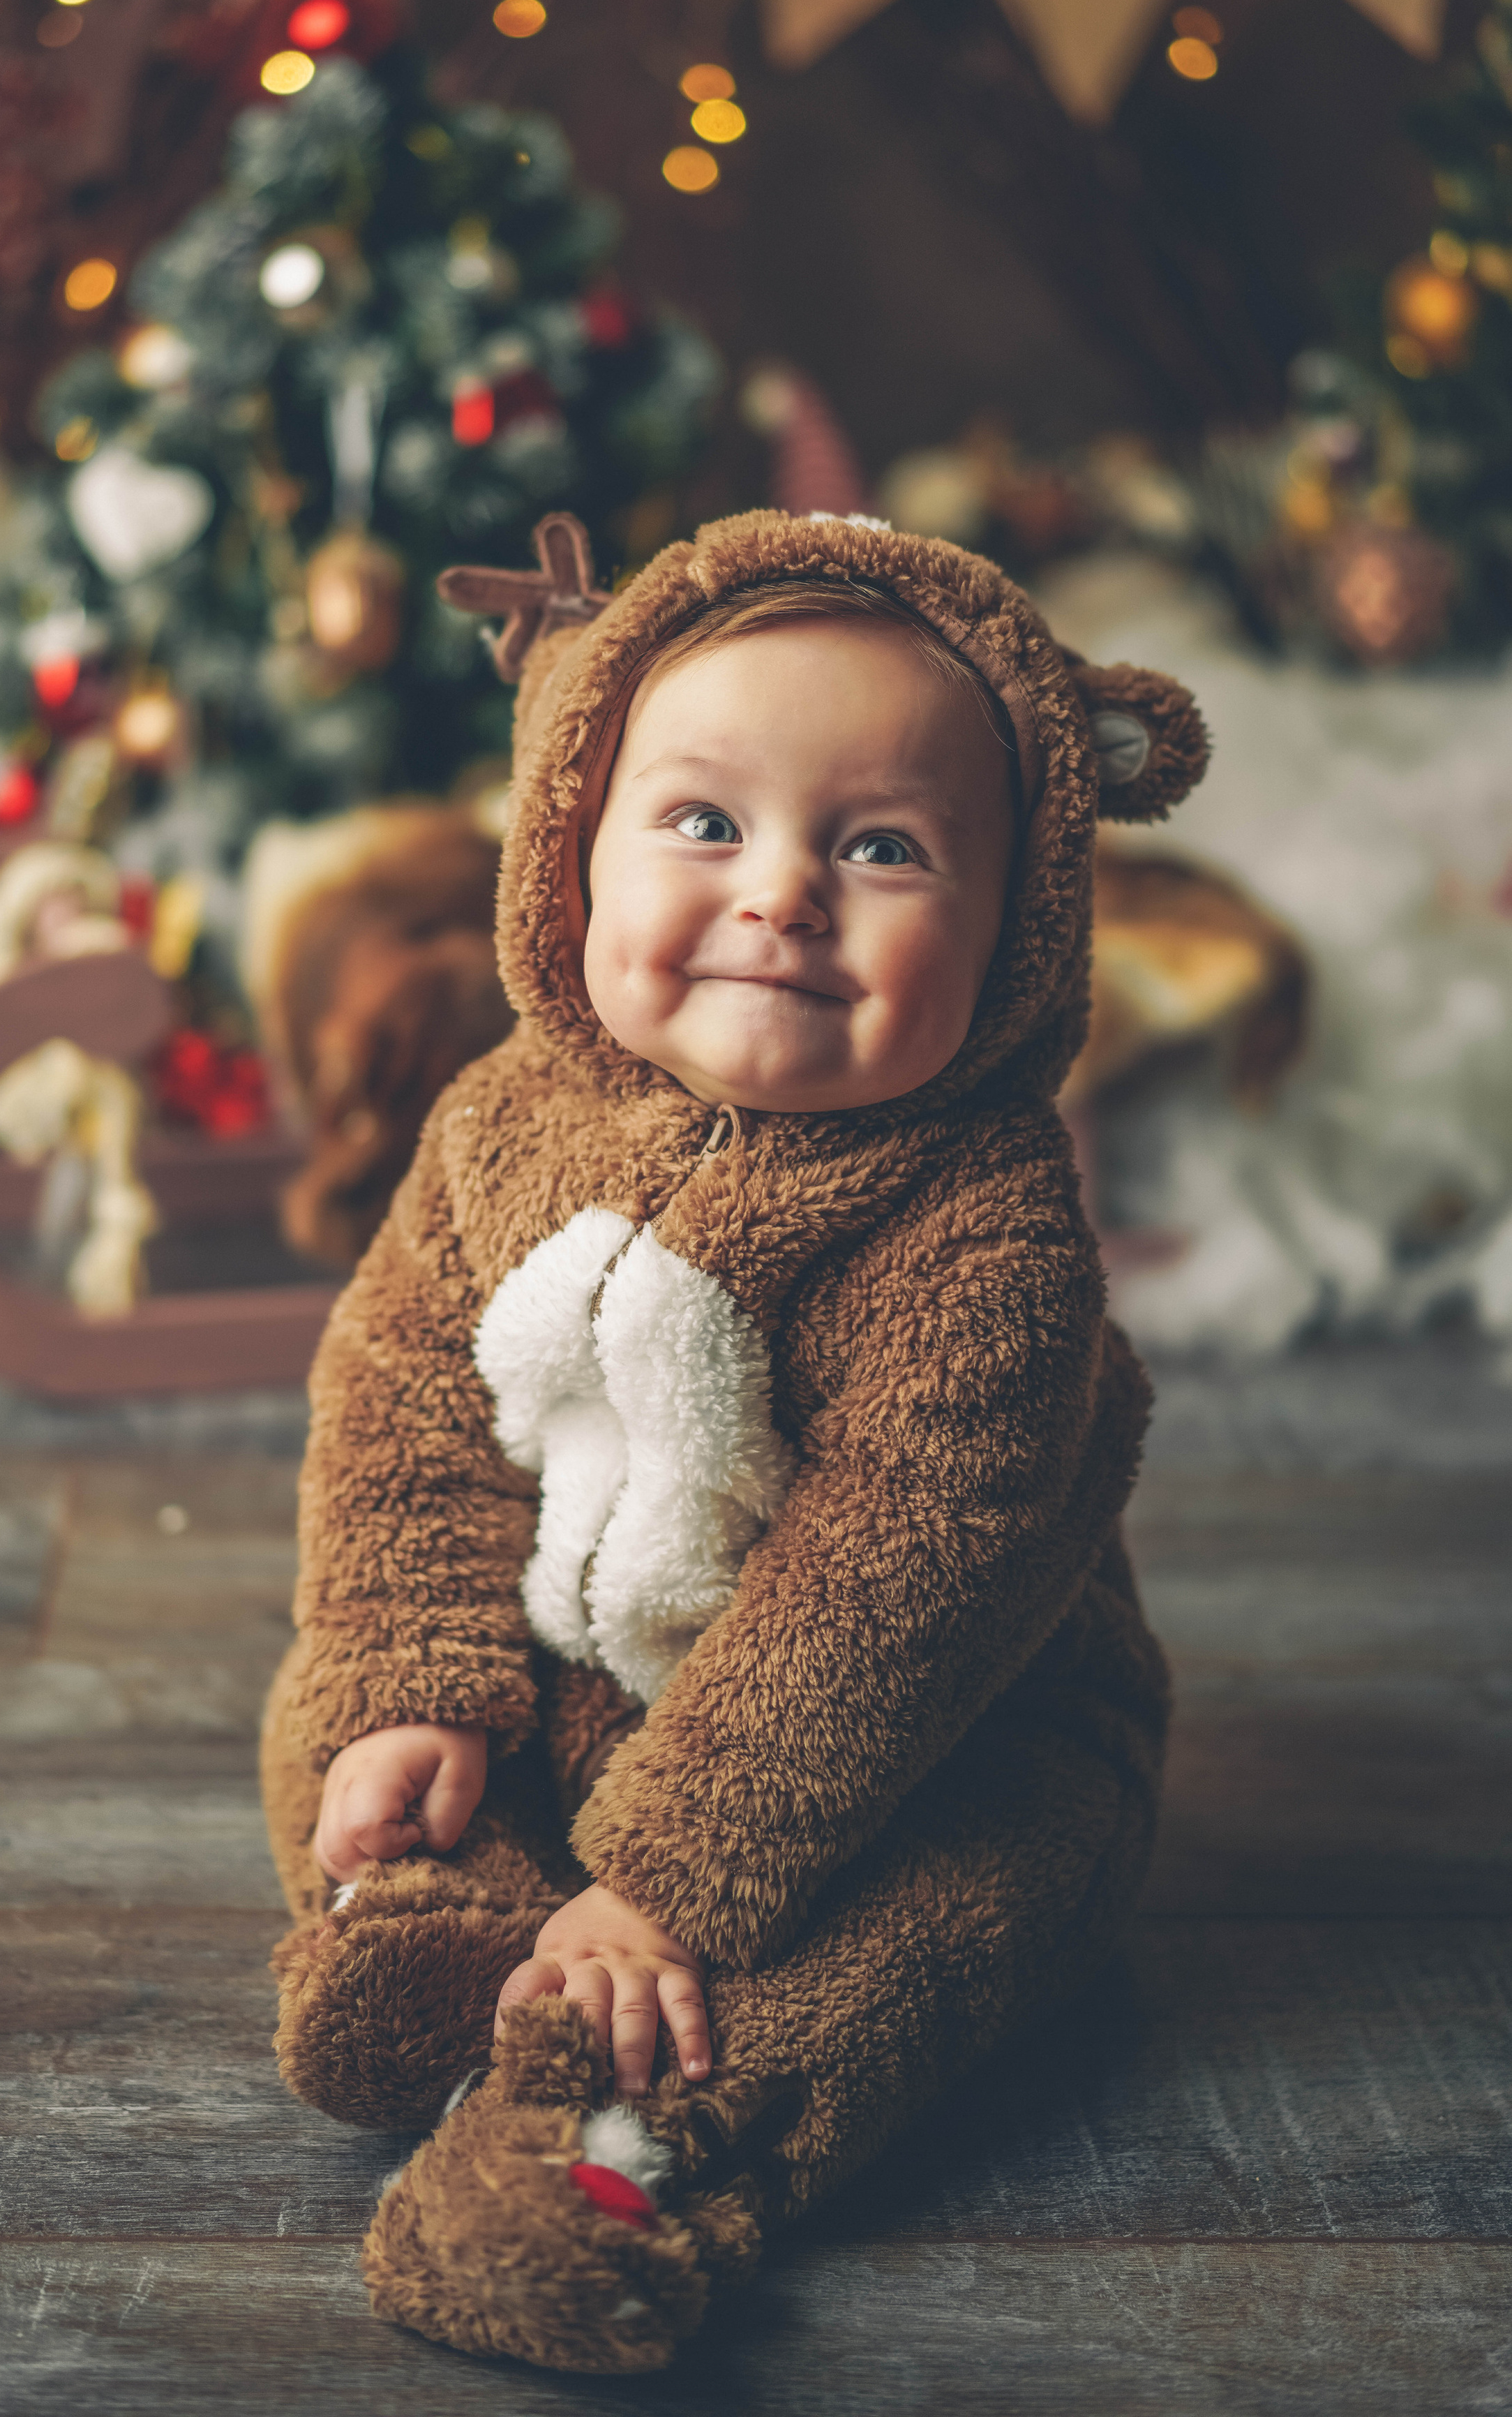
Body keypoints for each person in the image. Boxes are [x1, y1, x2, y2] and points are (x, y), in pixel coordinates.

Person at [260, 507, 1208, 2373]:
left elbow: (891, 1600)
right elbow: (401, 1408)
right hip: (571, 1675)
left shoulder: (985, 1243)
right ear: (572, 848)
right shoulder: (498, 1123)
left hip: (932, 1745)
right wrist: (410, 1682)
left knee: (953, 1922)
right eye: (704, 821)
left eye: (882, 847)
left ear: (1022, 921)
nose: (782, 895)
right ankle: (435, 1917)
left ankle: (621, 2159)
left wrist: (669, 1884)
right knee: (338, 1714)